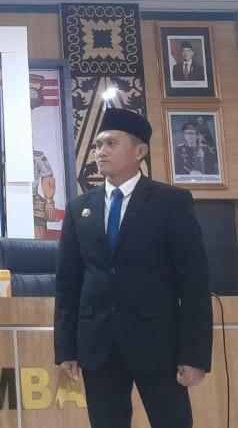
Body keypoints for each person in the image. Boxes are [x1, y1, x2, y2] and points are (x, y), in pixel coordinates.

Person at [54, 108, 212, 428]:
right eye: (98, 145)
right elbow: (68, 283)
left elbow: (194, 283)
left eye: (111, 143)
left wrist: (194, 355)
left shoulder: (171, 202)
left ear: (139, 151)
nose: (101, 152)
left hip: (158, 344)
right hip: (99, 347)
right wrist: (66, 348)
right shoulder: (80, 208)